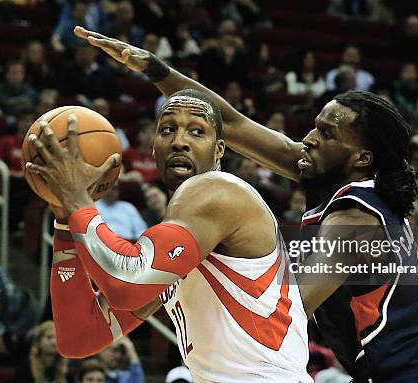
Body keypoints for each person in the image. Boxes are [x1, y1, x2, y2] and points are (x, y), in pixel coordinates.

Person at [75, 26, 418, 382]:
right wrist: (155, 69)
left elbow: (290, 307)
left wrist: (196, 255)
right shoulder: (325, 171)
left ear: (360, 159)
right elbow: (231, 123)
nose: (308, 138)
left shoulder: (355, 220)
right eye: (315, 125)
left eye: (326, 134)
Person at [27, 85, 313, 382]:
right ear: (153, 149)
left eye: (197, 132)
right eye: (167, 130)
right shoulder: (178, 242)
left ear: (219, 150)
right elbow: (80, 337)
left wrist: (77, 200)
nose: (179, 142)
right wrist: (63, 219)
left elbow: (125, 283)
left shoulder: (220, 190)